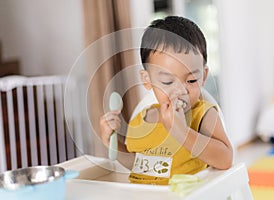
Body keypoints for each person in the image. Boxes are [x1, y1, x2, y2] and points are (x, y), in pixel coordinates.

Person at [100, 16, 233, 185]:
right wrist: (112, 143)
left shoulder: (203, 115)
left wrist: (181, 132)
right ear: (147, 80)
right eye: (168, 82)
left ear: (203, 76)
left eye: (191, 80)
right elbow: (138, 165)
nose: (180, 91)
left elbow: (225, 159)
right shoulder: (141, 120)